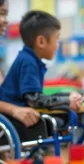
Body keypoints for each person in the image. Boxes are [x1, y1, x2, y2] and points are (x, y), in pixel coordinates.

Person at [0, 10, 82, 112]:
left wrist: (68, 96)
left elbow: (37, 96)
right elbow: (35, 101)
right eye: (56, 39)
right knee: (66, 116)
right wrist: (66, 100)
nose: (58, 44)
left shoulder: (30, 59)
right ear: (41, 41)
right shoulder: (28, 62)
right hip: (13, 120)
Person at [0, 0, 41, 128]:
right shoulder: (27, 60)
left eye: (6, 14)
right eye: (2, 13)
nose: (6, 20)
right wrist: (14, 110)